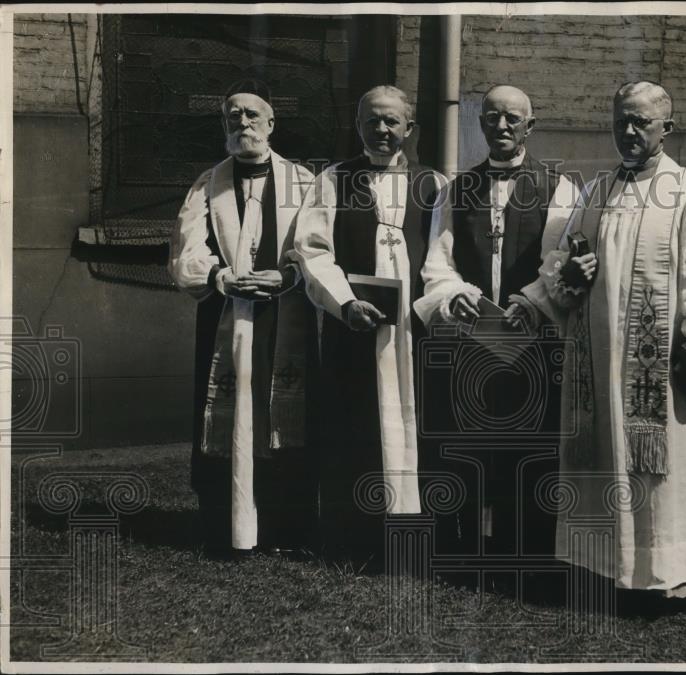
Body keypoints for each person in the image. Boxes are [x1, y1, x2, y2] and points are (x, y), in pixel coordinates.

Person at [516, 81, 686, 599]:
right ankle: (608, 569)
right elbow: (565, 260)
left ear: (666, 129)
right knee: (607, 454)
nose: (627, 131)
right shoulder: (596, 192)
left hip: (666, 362)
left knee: (669, 461)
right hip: (601, 356)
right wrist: (570, 276)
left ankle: (681, 573)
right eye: (620, 120)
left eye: (640, 122)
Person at [415, 85, 579, 563]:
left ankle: (526, 549)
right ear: (480, 124)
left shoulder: (559, 188)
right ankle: (462, 548)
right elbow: (437, 263)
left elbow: (561, 261)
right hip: (473, 338)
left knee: (530, 445)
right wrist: (455, 295)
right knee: (466, 442)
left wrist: (533, 301)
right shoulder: (456, 188)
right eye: (491, 118)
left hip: (533, 338)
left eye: (512, 118)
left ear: (531, 125)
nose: (501, 127)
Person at [291, 85, 447, 570]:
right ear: (358, 127)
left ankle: (418, 542)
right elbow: (311, 251)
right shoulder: (333, 180)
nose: (382, 130)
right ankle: (354, 538)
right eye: (372, 121)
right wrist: (344, 302)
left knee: (418, 426)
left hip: (414, 331)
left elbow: (445, 255)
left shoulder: (436, 185)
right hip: (356, 328)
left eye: (392, 122)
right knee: (355, 425)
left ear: (409, 128)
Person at [169, 79, 317, 558]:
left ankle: (286, 528)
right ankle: (224, 528)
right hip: (225, 317)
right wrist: (219, 277)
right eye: (233, 115)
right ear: (224, 125)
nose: (242, 122)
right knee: (230, 413)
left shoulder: (304, 183)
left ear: (271, 123)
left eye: (252, 114)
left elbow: (318, 247)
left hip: (284, 314)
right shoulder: (207, 184)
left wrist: (289, 275)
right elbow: (185, 250)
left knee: (282, 413)